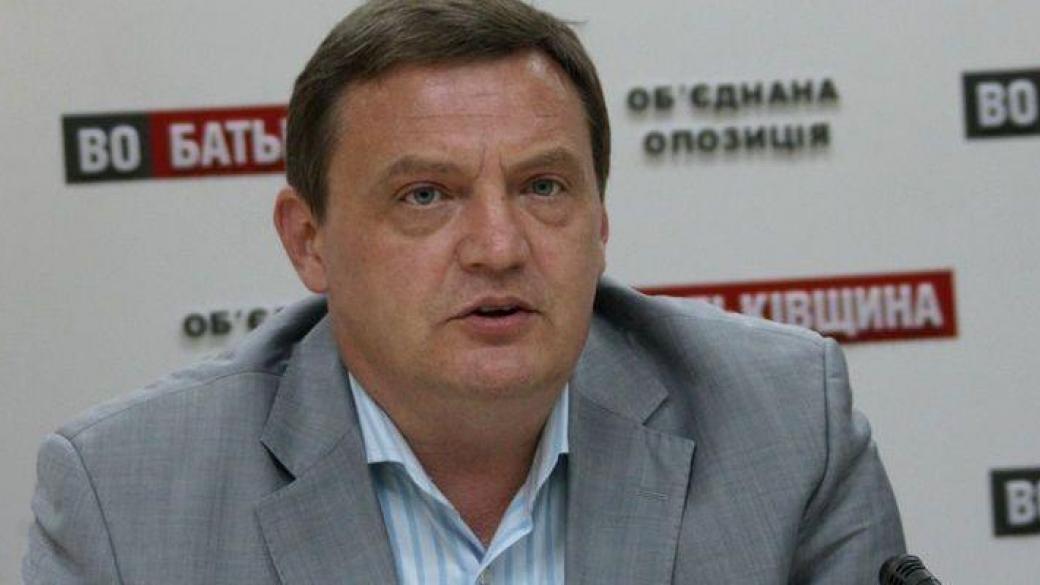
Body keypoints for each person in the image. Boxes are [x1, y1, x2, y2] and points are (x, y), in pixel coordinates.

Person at [23, 1, 905, 583]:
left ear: (600, 222)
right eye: (425, 196)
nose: (498, 246)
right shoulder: (125, 502)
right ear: (308, 241)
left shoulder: (783, 427)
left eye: (544, 187)